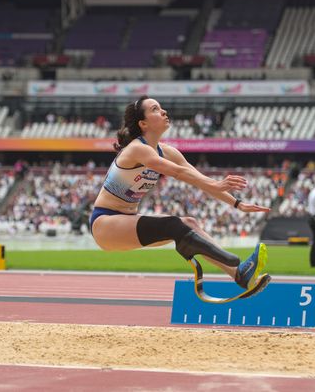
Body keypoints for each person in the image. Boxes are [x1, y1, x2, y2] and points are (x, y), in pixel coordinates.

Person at [89, 96, 271, 291]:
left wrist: (237, 204)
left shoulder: (167, 152)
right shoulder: (137, 150)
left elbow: (199, 179)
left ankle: (239, 274)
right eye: (155, 109)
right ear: (143, 123)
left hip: (126, 222)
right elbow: (178, 173)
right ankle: (219, 258)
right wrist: (217, 184)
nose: (164, 112)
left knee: (189, 224)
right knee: (174, 225)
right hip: (105, 224)